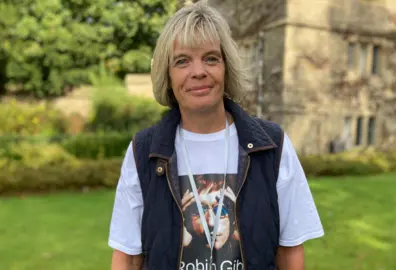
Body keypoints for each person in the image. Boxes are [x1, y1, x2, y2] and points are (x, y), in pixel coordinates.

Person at [108, 1, 324, 269]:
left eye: (211, 58)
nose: (198, 71)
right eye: (182, 61)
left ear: (226, 67)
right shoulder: (144, 152)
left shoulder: (271, 147)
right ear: (168, 74)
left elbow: (290, 251)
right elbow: (127, 257)